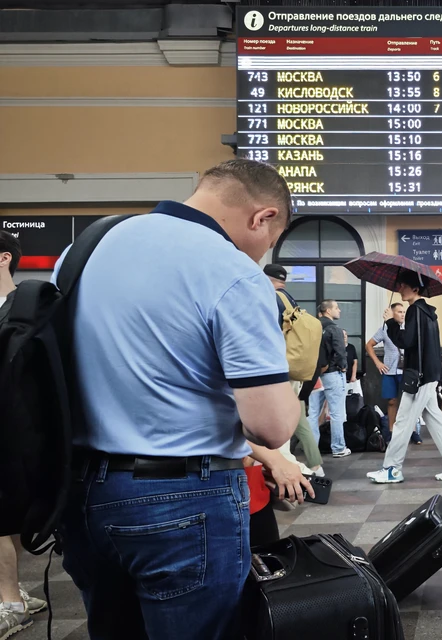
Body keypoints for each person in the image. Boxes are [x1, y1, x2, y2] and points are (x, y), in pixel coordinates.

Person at [52, 159, 301, 640]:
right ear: (261, 217)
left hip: (81, 492)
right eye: (269, 241)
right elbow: (270, 427)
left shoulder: (85, 248)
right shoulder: (231, 271)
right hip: (183, 498)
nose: (261, 253)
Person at [368, 270, 442, 484]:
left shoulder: (415, 310)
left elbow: (406, 341)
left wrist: (391, 323)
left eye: (403, 285)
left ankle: (392, 469)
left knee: (404, 420)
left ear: (415, 288)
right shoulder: (428, 312)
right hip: (429, 374)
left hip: (419, 376)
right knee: (434, 418)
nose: (399, 289)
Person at [0, 230, 48, 639]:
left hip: (16, 431)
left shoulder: (29, 307)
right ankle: (12, 593)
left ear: (3, 259)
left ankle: (10, 601)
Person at [263, 263, 324, 475]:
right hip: (295, 368)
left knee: (279, 423)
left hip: (279, 368)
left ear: (266, 279)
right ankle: (305, 467)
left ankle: (295, 471)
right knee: (292, 420)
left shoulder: (271, 299)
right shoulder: (290, 300)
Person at [310, 299, 351, 458]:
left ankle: (312, 450)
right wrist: (343, 366)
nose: (339, 310)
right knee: (336, 413)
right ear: (328, 311)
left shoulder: (313, 327)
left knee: (312, 413)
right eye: (336, 308)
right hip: (333, 373)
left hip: (314, 375)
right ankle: (338, 447)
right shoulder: (335, 329)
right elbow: (340, 351)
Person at [366, 303, 406, 438]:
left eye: (404, 312)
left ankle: (411, 430)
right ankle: (391, 430)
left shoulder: (408, 328)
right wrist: (378, 363)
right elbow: (369, 345)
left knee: (408, 401)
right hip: (390, 370)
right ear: (391, 313)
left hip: (405, 371)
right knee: (392, 401)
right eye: (399, 312)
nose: (402, 314)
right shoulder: (384, 328)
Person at [344, 330, 362, 396]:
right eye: (342, 335)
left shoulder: (351, 347)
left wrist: (353, 375)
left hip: (350, 376)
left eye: (345, 334)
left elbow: (355, 362)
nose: (344, 336)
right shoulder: (336, 348)